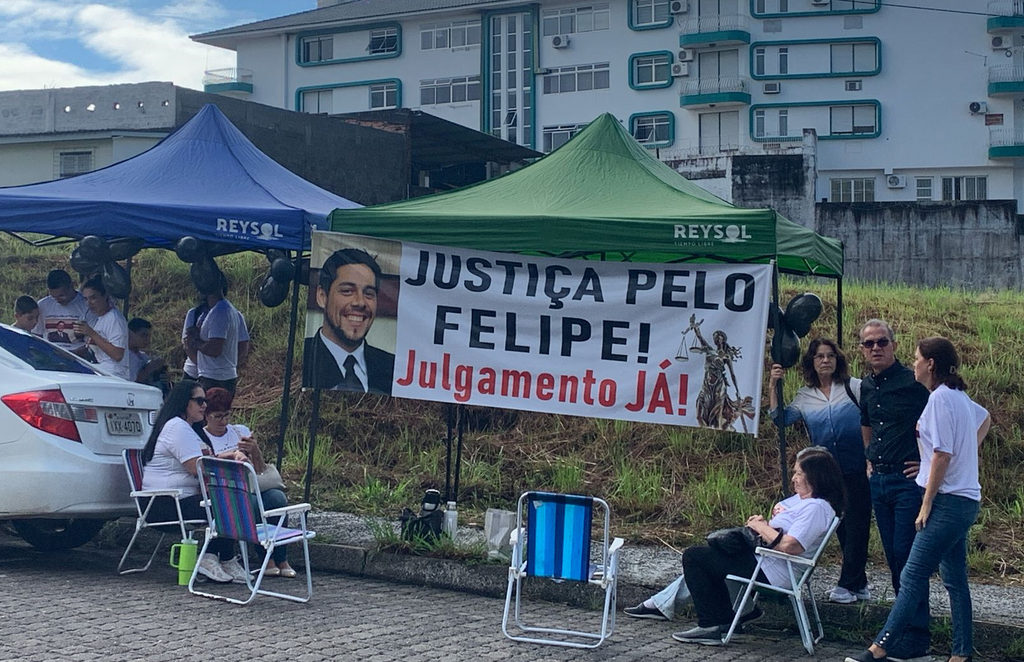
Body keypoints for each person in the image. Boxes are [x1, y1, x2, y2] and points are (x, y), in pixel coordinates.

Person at [846, 337, 990, 662]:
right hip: (964, 501)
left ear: (931, 364)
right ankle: (960, 654)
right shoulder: (958, 396)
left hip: (947, 503)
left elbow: (941, 454)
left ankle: (879, 648)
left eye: (917, 359)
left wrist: (926, 502)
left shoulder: (940, 398)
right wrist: (966, 454)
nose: (913, 364)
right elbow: (985, 419)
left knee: (911, 575)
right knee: (954, 580)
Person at [624, 451, 846, 646]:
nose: (794, 478)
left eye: (798, 473)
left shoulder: (816, 507)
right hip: (767, 562)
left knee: (695, 557)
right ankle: (729, 618)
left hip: (774, 570)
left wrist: (760, 527)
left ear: (814, 477)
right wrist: (764, 526)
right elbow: (787, 535)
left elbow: (791, 545)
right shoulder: (807, 502)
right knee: (716, 549)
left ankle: (713, 623)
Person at [769, 338, 872, 604]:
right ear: (811, 363)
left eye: (830, 356)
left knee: (858, 526)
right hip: (827, 473)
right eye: (819, 357)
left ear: (838, 361)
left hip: (858, 466)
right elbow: (781, 419)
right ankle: (858, 584)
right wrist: (773, 384)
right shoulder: (805, 396)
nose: (825, 360)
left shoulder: (854, 388)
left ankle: (849, 584)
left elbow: (872, 418)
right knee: (839, 527)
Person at [859, 318, 932, 660]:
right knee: (892, 558)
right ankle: (902, 632)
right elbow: (867, 423)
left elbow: (950, 419)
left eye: (881, 342)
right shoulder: (867, 386)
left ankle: (917, 636)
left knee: (908, 559)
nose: (875, 348)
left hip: (907, 483)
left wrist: (927, 463)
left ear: (894, 345)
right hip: (880, 481)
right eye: (868, 344)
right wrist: (868, 459)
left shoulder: (915, 383)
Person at [140, 380, 249, 584]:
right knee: (228, 504)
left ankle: (223, 558)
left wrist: (231, 456)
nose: (204, 406)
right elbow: (197, 469)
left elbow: (204, 462)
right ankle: (211, 557)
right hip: (163, 504)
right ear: (184, 402)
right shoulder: (177, 427)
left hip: (178, 500)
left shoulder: (186, 427)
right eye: (199, 401)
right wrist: (229, 463)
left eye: (205, 401)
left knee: (228, 500)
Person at [202, 387, 297, 578]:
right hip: (227, 490)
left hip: (252, 484)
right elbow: (205, 468)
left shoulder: (240, 431)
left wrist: (254, 451)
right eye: (218, 416)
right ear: (206, 415)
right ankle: (266, 558)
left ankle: (281, 557)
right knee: (252, 504)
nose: (224, 421)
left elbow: (261, 470)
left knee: (277, 498)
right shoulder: (202, 437)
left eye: (227, 415)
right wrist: (231, 455)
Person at [304, 248, 395, 394]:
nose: (359, 302)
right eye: (347, 291)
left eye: (369, 293)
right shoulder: (302, 358)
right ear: (322, 296)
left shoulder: (393, 367)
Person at [184, 281, 240, 394]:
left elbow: (214, 349)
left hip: (213, 377)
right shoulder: (196, 313)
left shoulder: (221, 311)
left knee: (207, 410)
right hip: (206, 373)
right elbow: (187, 345)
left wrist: (195, 341)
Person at [74, 276, 130, 379]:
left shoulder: (114, 318)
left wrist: (92, 334)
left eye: (93, 298)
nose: (89, 303)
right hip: (101, 371)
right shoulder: (100, 319)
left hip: (114, 375)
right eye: (86, 299)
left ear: (105, 296)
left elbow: (118, 354)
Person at [34, 269, 94, 355]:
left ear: (71, 286)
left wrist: (72, 354)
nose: (57, 300)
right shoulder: (43, 305)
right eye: (53, 297)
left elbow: (93, 340)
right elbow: (37, 336)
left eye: (61, 296)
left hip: (79, 357)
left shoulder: (86, 305)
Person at [128, 317, 170, 396]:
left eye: (149, 336)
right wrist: (150, 368)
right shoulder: (125, 357)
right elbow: (132, 383)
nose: (147, 339)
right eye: (143, 335)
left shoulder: (144, 357)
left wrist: (165, 377)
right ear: (130, 334)